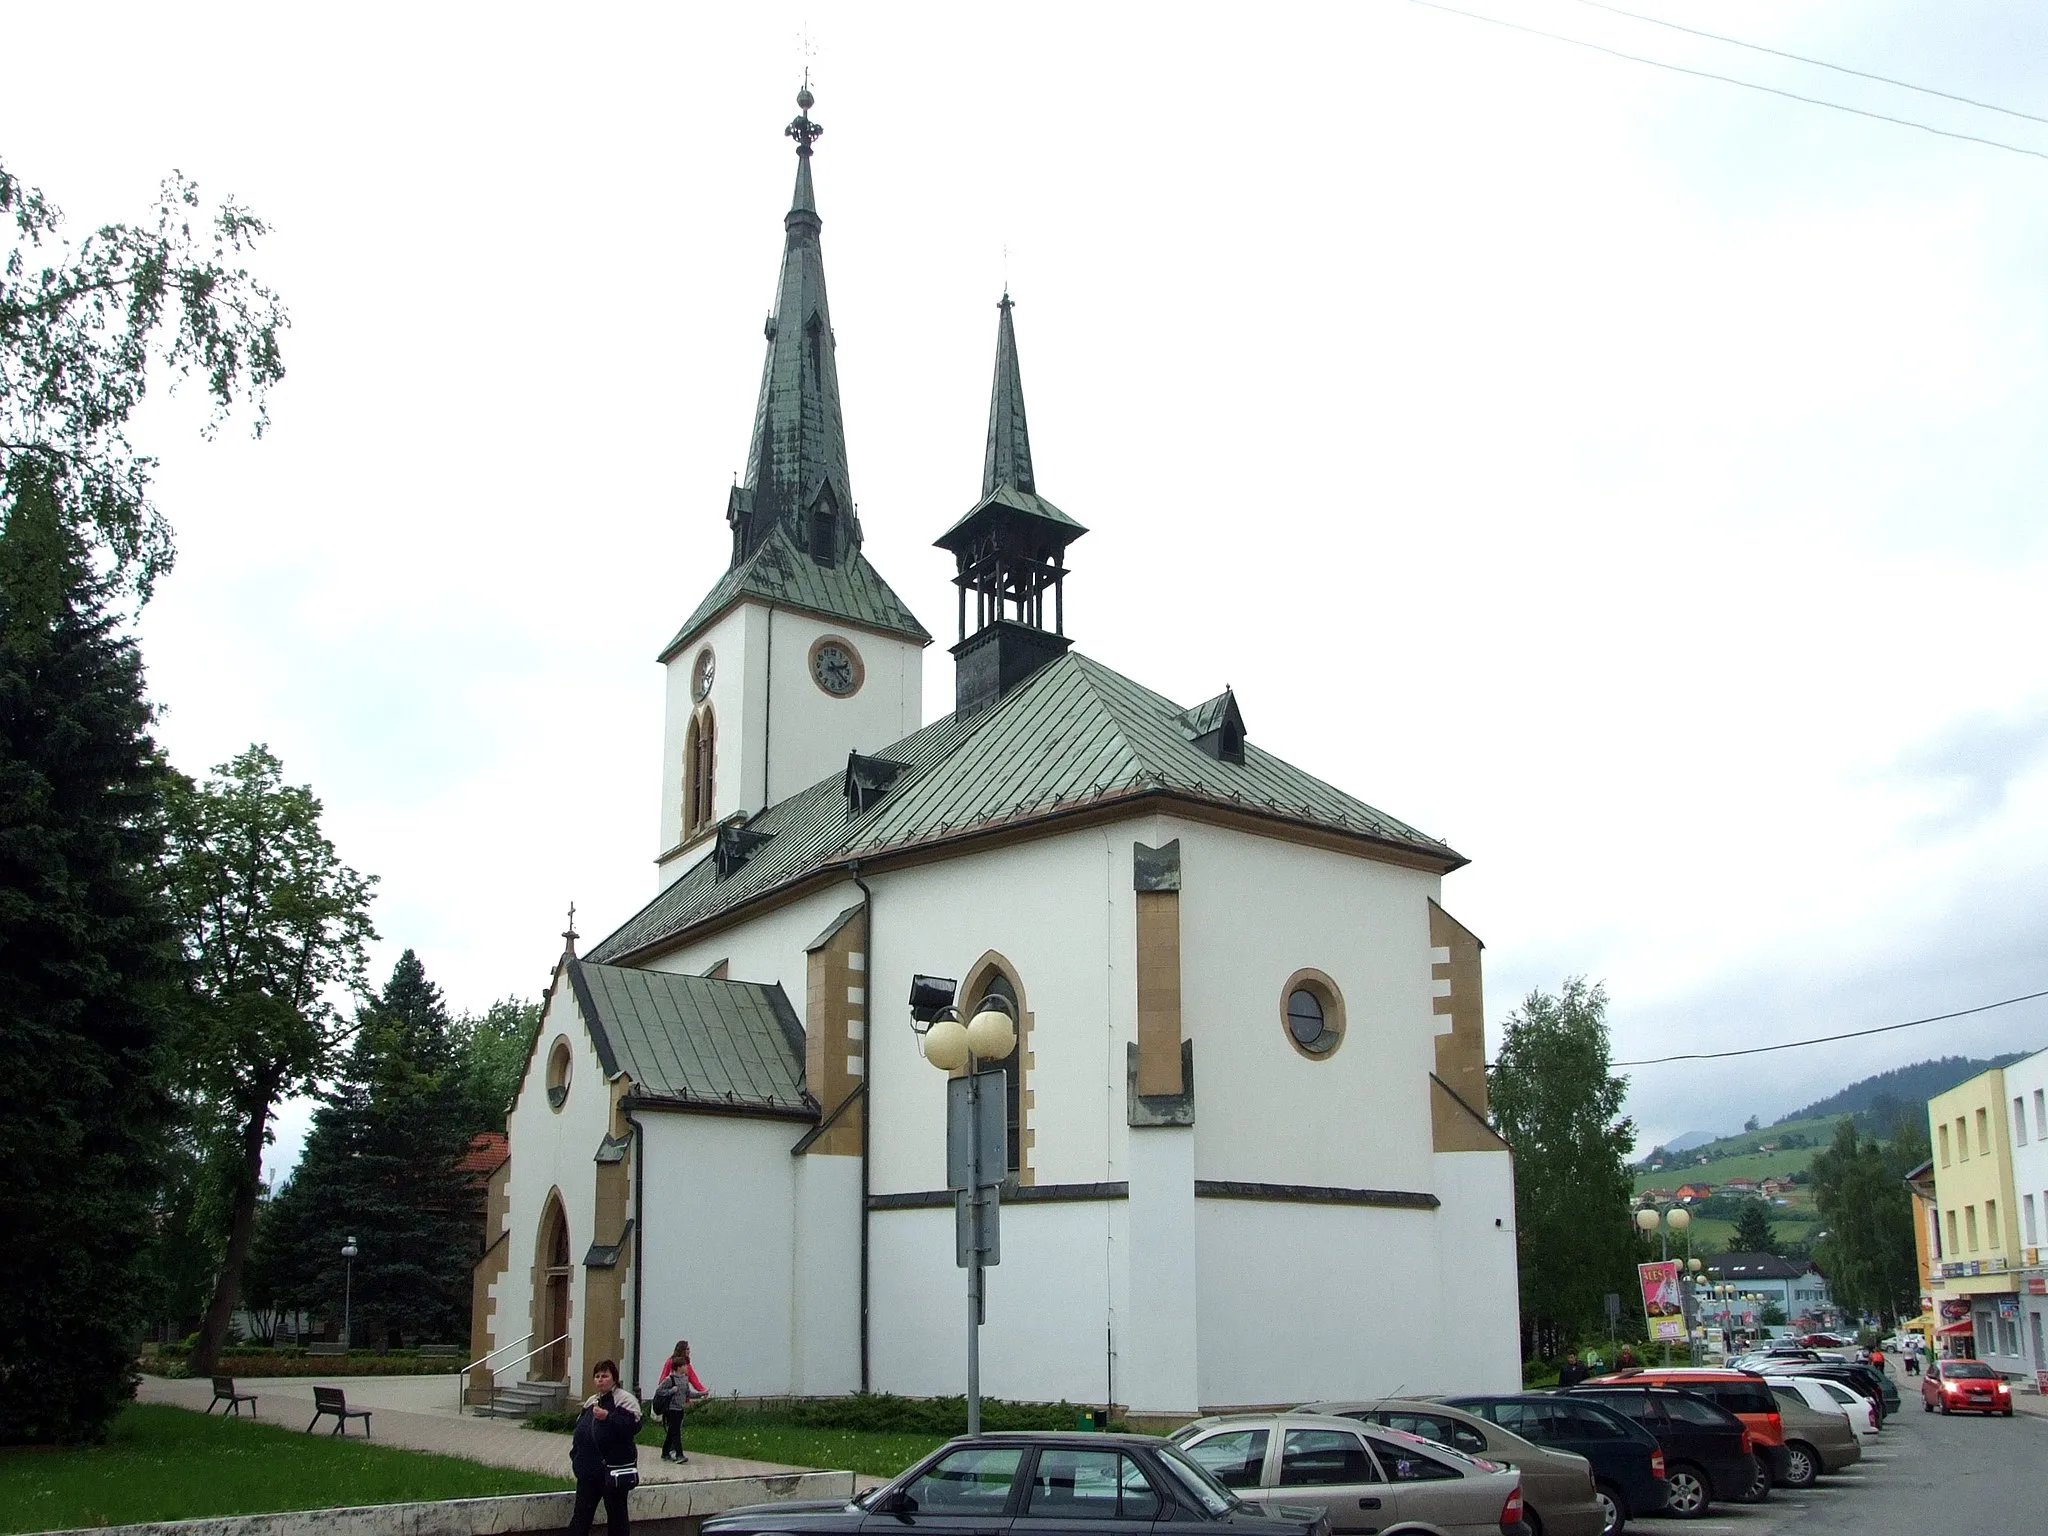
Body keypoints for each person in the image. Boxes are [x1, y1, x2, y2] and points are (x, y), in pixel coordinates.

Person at [567, 1359, 640, 1536]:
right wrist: (576, 1457)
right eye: (597, 1376)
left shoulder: (624, 1400)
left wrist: (608, 1417)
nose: (601, 1379)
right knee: (580, 1518)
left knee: (617, 1518)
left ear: (614, 1378)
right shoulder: (591, 1402)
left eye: (605, 1375)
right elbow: (580, 1431)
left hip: (613, 1471)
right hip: (588, 1472)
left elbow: (633, 1426)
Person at [653, 1340, 707, 1463]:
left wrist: (702, 1392)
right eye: (687, 1349)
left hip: (680, 1406)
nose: (689, 1351)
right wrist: (671, 1391)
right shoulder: (670, 1367)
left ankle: (666, 1452)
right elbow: (661, 1386)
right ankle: (678, 1454)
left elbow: (692, 1383)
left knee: (673, 1430)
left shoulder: (685, 1375)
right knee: (675, 1431)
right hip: (671, 1407)